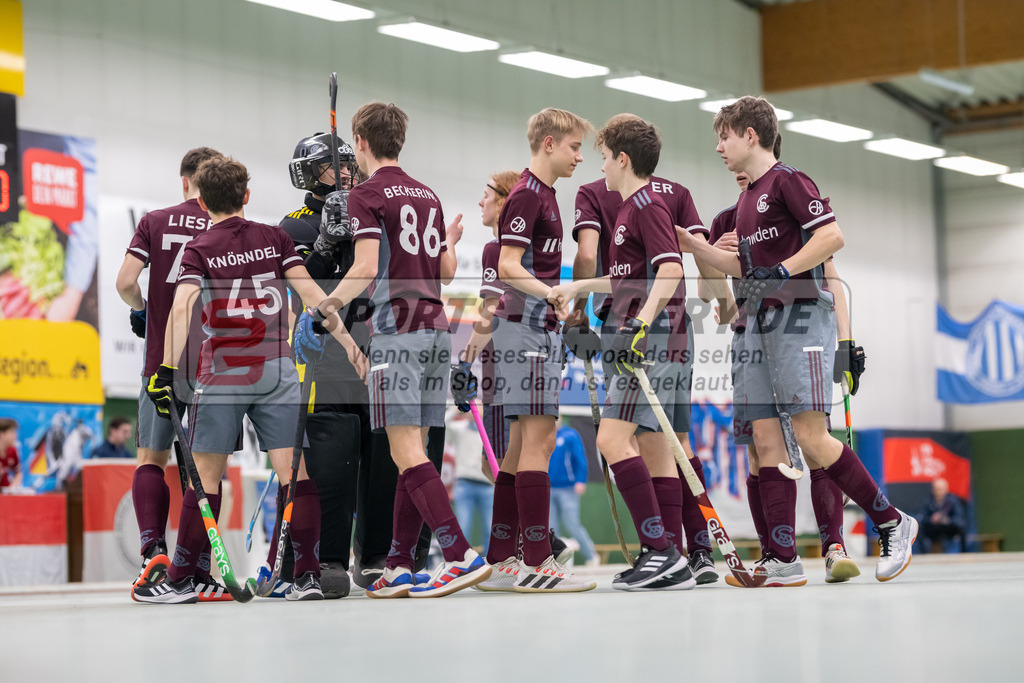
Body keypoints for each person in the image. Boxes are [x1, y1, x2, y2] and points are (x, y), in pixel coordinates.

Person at [677, 95, 917, 585]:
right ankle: (783, 559)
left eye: (724, 136)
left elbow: (831, 237)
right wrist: (693, 245)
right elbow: (740, 269)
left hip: (800, 318)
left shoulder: (789, 180)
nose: (719, 147)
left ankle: (892, 521)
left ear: (750, 135)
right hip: (757, 326)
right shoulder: (742, 203)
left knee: (810, 436)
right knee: (764, 438)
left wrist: (784, 269)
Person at [135, 156, 366, 604]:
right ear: (246, 195)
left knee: (206, 477)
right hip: (276, 370)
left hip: (223, 372)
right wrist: (350, 345)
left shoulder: (199, 248)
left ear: (202, 202)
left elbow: (182, 309)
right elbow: (315, 297)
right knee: (293, 473)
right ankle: (307, 576)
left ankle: (181, 578)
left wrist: (164, 371)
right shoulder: (275, 237)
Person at [294, 102, 489, 598]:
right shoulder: (427, 194)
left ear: (359, 143)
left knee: (404, 450)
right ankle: (399, 564)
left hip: (395, 334)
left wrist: (325, 308)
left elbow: (361, 270)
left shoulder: (365, 194)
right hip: (437, 330)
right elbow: (444, 272)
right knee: (415, 452)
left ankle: (460, 552)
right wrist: (446, 240)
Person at [567, 112, 720, 585]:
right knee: (657, 447)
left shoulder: (646, 205)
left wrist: (639, 324)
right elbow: (627, 277)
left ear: (624, 160)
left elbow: (671, 270)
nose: (602, 169)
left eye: (606, 160)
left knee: (612, 439)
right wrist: (575, 290)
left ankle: (660, 548)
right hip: (659, 335)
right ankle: (669, 556)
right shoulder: (635, 207)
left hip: (649, 338)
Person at [705, 146, 866, 585]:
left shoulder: (786, 202)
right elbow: (714, 305)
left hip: (799, 334)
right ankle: (776, 554)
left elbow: (831, 277)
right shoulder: (725, 220)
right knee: (760, 448)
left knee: (813, 439)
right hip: (750, 339)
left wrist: (846, 341)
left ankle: (834, 545)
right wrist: (710, 254)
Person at [272, 132, 406, 599]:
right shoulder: (292, 225)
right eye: (333, 166)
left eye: (349, 164)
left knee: (383, 453)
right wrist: (326, 243)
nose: (345, 172)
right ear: (308, 173)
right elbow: (296, 281)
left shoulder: (370, 210)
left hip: (379, 343)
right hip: (324, 351)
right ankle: (325, 555)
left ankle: (375, 555)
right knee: (331, 453)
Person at [468, 108, 596, 594]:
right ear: (548, 143)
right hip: (525, 330)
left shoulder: (544, 196)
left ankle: (502, 560)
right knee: (539, 442)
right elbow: (508, 265)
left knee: (520, 448)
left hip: (534, 329)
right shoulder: (526, 195)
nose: (580, 157)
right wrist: (551, 294)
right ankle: (539, 562)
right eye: (573, 147)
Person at [115, 146, 226, 599]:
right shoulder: (226, 226)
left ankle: (151, 551)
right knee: (203, 471)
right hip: (213, 366)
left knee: (151, 459)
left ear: (185, 181)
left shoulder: (154, 220)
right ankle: (196, 568)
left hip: (160, 361)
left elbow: (125, 281)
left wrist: (142, 311)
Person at [547, 416, 598, 567]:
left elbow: (580, 459)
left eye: (556, 418)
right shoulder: (543, 437)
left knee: (572, 524)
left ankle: (591, 555)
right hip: (548, 488)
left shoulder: (570, 435)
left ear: (560, 419)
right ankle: (553, 560)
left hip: (568, 488)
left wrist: (580, 481)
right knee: (551, 527)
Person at [447, 410, 493, 553]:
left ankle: (491, 562)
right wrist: (458, 408)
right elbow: (445, 423)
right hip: (464, 483)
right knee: (462, 526)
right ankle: (460, 560)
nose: (476, 411)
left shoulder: (491, 431)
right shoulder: (460, 428)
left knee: (491, 527)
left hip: (487, 484)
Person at [919, 478, 966, 553]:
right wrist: (931, 519)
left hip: (948, 528)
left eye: (941, 489)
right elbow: (923, 517)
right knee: (919, 526)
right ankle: (924, 554)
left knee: (961, 526)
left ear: (946, 489)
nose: (939, 492)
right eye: (937, 489)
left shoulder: (953, 500)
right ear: (933, 490)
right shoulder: (928, 500)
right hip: (933, 528)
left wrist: (948, 520)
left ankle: (964, 552)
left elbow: (959, 517)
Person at [0, 419, 21, 491]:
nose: (15, 436)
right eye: (12, 432)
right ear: (1, 434)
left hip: (5, 494)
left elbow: (18, 473)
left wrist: (12, 487)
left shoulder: (12, 450)